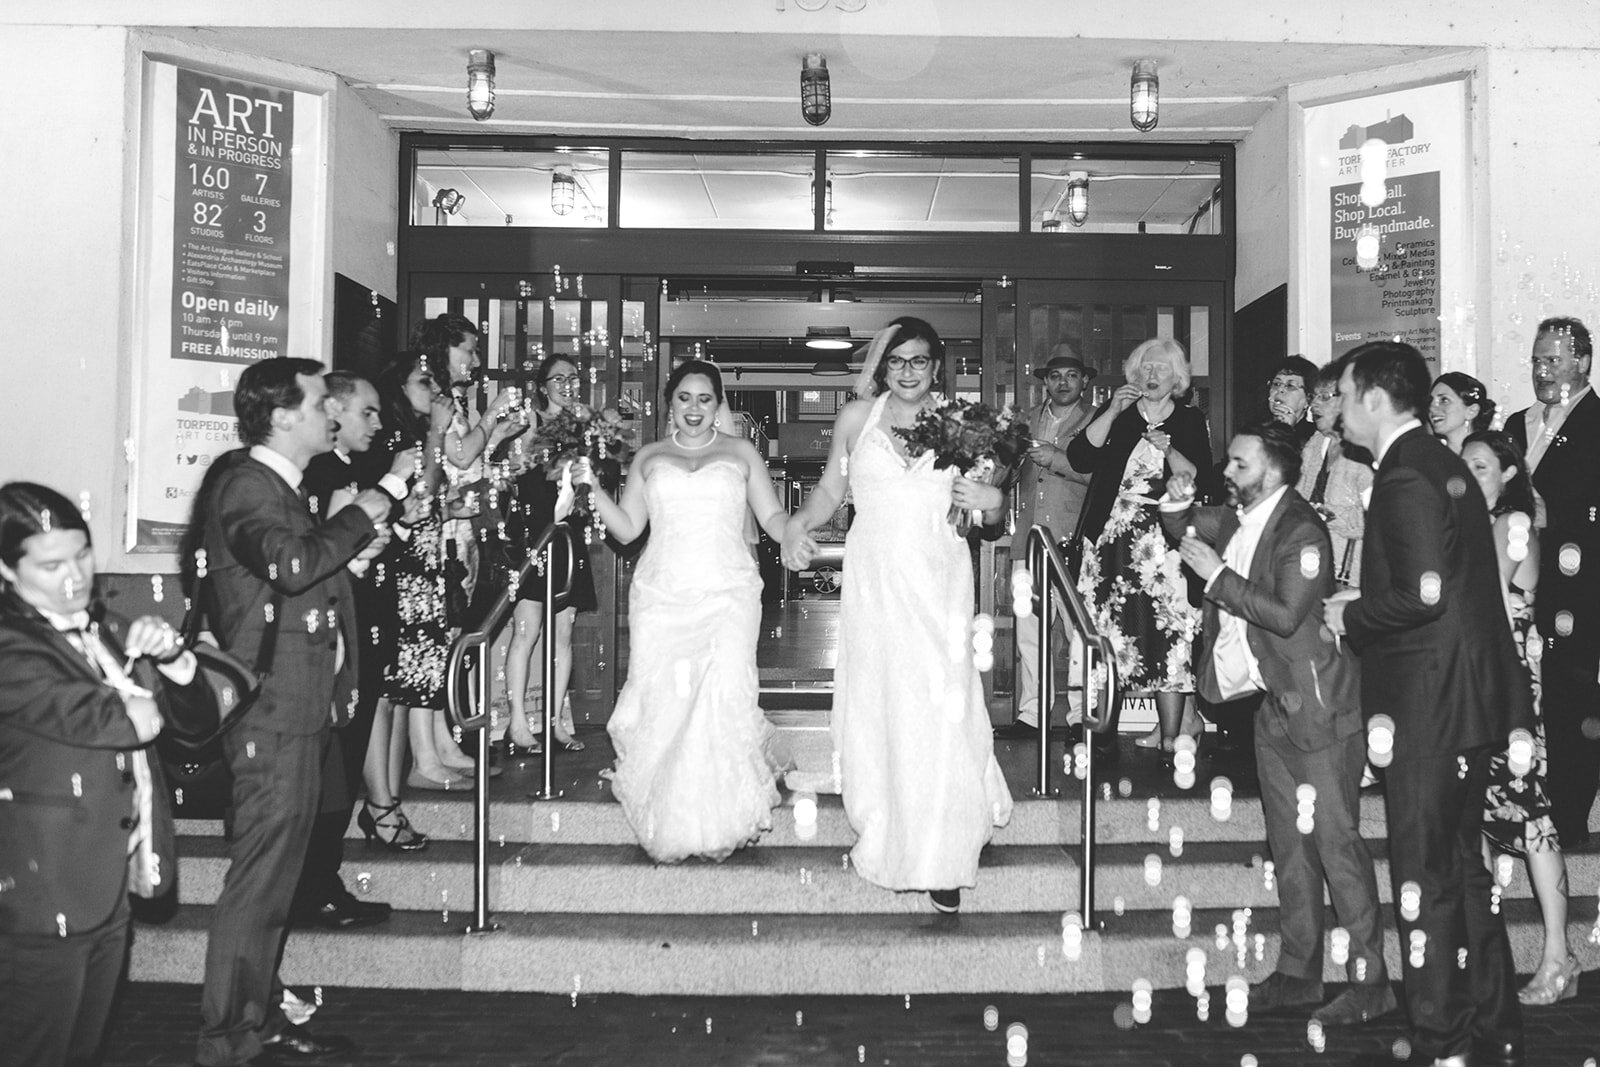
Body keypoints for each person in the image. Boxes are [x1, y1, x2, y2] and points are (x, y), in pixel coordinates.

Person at [1323, 341, 1530, 1067]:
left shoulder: (1407, 474)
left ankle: (1442, 1035)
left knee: (1426, 875)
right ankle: (1491, 1022)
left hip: (1428, 703)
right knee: (1464, 870)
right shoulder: (1438, 464)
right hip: (1465, 699)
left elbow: (1420, 593)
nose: (1339, 409)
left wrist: (1348, 616)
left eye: (1344, 394)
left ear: (1376, 399)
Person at [1161, 424, 1394, 1028]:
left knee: (1336, 846)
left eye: (1239, 464)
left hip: (1319, 709)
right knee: (1290, 847)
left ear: (1273, 471)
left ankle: (1372, 984)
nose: (1228, 473)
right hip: (1274, 706)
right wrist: (1179, 505)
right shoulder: (1244, 516)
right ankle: (1297, 973)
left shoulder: (1301, 530)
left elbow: (1287, 615)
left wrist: (1217, 577)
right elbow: (1191, 533)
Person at [195, 357, 391, 1066]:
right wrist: (359, 517)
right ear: (281, 415)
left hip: (302, 705)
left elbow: (302, 575)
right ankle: (228, 1036)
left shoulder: (281, 484)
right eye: (317, 404)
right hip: (271, 710)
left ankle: (258, 1015)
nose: (330, 415)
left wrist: (346, 561)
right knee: (258, 882)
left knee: (278, 881)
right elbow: (291, 563)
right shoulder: (246, 484)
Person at [782, 318, 1014, 913]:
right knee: (885, 700)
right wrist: (796, 526)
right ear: (882, 368)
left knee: (941, 705)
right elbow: (833, 492)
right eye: (897, 361)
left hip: (939, 577)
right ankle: (887, 821)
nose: (908, 371)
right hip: (877, 579)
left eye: (919, 361)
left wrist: (993, 504)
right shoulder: (856, 421)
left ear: (936, 366)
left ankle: (943, 847)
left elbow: (986, 512)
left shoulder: (966, 423)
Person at [0, 483, 215, 1067]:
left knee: (83, 1049)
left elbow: (197, 727)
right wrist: (140, 696)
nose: (74, 576)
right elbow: (117, 720)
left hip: (106, 881)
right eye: (50, 565)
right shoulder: (11, 644)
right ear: (6, 568)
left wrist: (173, 659)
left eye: (82, 556)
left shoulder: (108, 628)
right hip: (37, 893)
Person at [585, 359, 786, 862]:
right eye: (684, 398)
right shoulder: (649, 457)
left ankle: (726, 815)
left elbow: (772, 517)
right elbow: (629, 528)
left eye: (705, 399)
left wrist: (798, 535)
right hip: (661, 596)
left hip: (729, 593)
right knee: (669, 702)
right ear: (669, 402)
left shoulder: (741, 453)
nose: (694, 409)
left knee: (721, 696)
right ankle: (673, 819)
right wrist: (588, 488)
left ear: (719, 405)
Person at [292, 371, 423, 923]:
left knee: (345, 755)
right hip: (334, 634)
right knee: (331, 761)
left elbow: (371, 540)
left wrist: (402, 525)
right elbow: (325, 547)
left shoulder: (357, 470)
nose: (377, 422)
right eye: (366, 413)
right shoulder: (322, 471)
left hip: (366, 619)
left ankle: (325, 880)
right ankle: (314, 884)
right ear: (335, 414)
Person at [1463, 430, 1581, 1005]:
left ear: (1508, 473)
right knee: (1479, 816)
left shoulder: (1511, 524)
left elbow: (1480, 597)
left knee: (1530, 813)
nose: (1468, 477)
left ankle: (1560, 955)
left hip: (1508, 689)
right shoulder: (1480, 523)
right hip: (1476, 685)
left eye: (1481, 467)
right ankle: (1489, 961)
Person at [1066, 338, 1215, 754]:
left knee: (1166, 630)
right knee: (1111, 631)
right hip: (1112, 535)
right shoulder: (1120, 413)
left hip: (1162, 539)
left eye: (1161, 369)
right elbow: (1080, 457)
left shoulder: (1188, 420)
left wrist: (1169, 450)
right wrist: (1112, 411)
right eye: (1146, 368)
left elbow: (1197, 480)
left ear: (1177, 378)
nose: (1152, 375)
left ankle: (1172, 734)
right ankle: (1101, 733)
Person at [1505, 316, 1600, 851]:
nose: (1542, 371)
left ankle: (1567, 815)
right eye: (1537, 360)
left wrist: (1554, 519)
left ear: (1582, 362)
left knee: (1569, 702)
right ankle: (1522, 807)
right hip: (1523, 588)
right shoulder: (1518, 424)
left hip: (1579, 592)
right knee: (1525, 703)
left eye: (1554, 360)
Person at [372, 350, 475, 791]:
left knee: (427, 658)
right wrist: (436, 429)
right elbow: (421, 486)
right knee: (409, 666)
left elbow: (430, 494)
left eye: (435, 384)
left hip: (427, 559)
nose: (434, 393)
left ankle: (414, 769)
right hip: (402, 563)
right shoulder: (395, 438)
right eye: (422, 384)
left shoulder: (414, 433)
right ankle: (415, 768)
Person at [995, 345, 1097, 741]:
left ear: (1084, 380)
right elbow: (1003, 474)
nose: (1063, 382)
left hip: (1075, 543)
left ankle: (1080, 716)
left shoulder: (1096, 422)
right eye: (1055, 376)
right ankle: (1032, 715)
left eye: (1071, 375)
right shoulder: (1025, 421)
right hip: (1030, 541)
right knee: (1029, 633)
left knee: (1077, 632)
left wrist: (1057, 458)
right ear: (1044, 382)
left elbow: (1102, 477)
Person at [504, 353, 598, 756]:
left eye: (573, 377)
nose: (566, 383)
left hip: (568, 533)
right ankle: (518, 723)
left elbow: (592, 480)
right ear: (542, 386)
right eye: (557, 378)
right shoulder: (528, 422)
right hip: (533, 533)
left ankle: (557, 721)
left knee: (564, 629)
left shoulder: (581, 427)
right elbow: (512, 472)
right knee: (527, 629)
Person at [1298, 356, 1372, 589]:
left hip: (1353, 575)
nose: (1314, 406)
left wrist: (1330, 515)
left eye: (1324, 397)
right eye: (1313, 397)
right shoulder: (1315, 442)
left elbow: (1380, 517)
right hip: (1310, 565)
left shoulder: (1365, 449)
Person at [1429, 372, 1496, 454]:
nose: (1431, 408)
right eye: (1430, 401)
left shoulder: (1490, 456)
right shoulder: (1431, 458)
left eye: (1444, 400)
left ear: (1471, 411)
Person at [1266, 355, 1319, 448]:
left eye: (1290, 386)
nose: (1280, 389)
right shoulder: (1257, 431)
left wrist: (1287, 433)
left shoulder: (1316, 436)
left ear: (1308, 399)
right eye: (1276, 384)